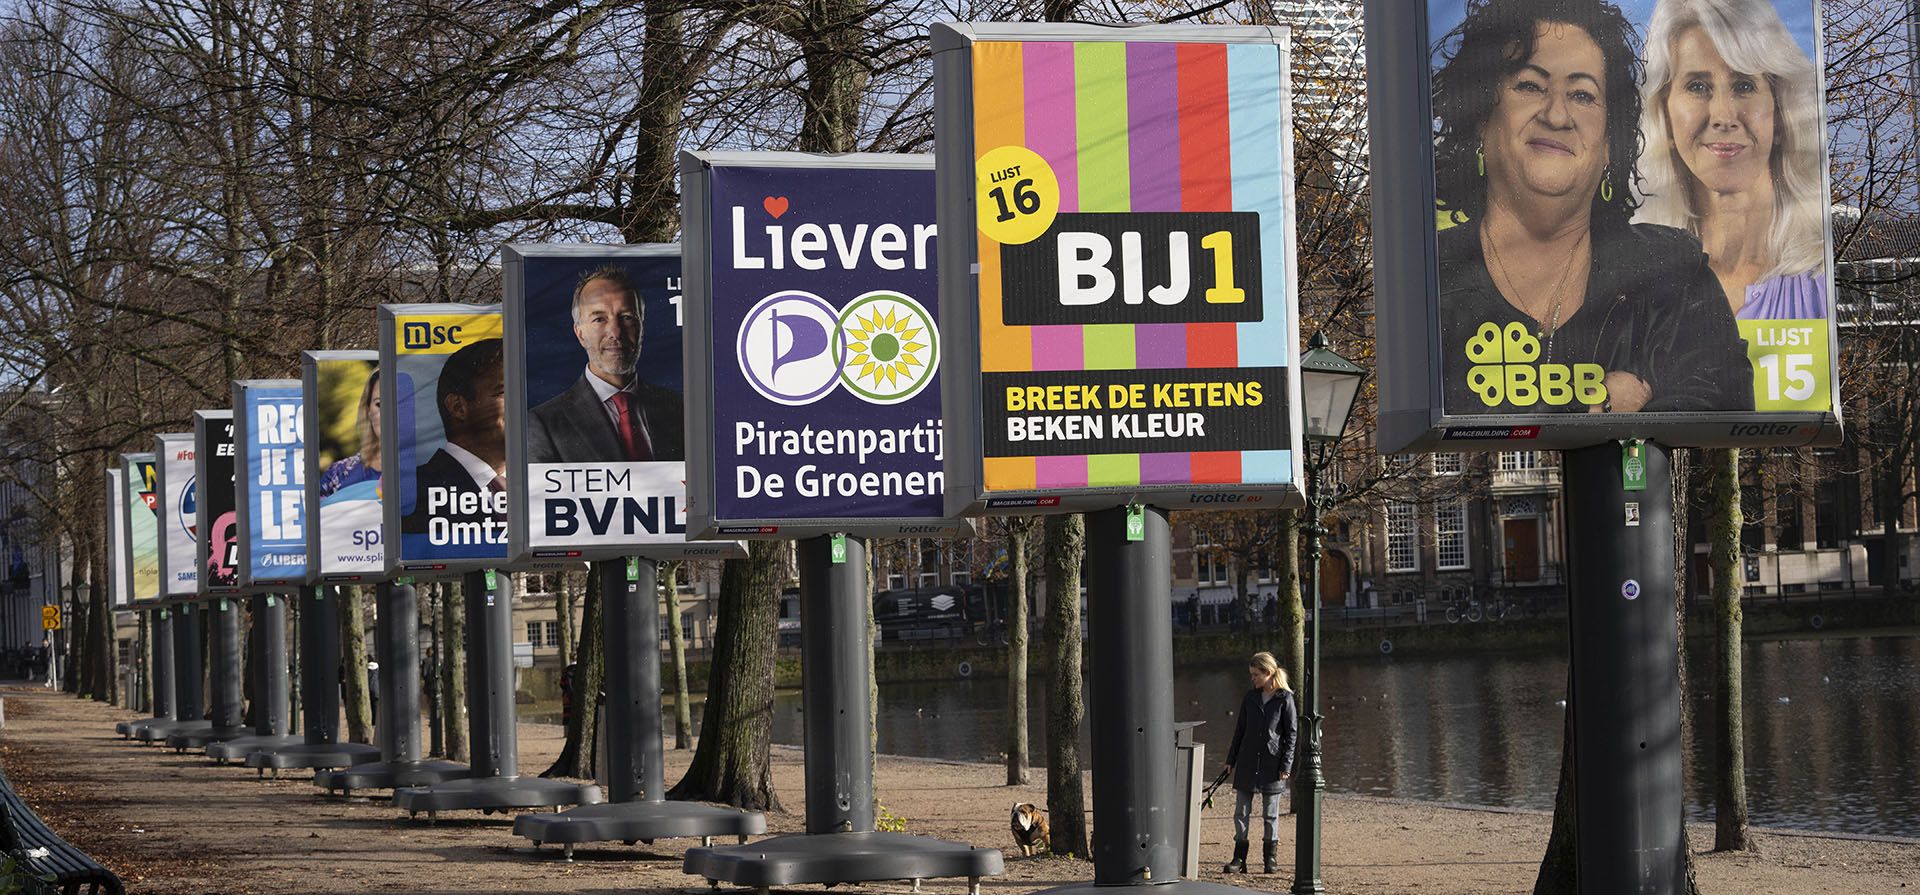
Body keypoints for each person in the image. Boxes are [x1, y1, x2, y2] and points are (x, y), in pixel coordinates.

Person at [1432, 0, 1753, 414]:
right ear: (1479, 115)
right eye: (1530, 85)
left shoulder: (1673, 273)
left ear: (1608, 144)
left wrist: (1633, 420)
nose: (1557, 115)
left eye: (1583, 94)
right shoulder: (1429, 278)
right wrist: (1594, 403)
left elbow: (1724, 399)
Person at [1634, 0, 1826, 319]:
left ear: (1780, 112)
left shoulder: (1819, 277)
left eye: (1744, 85)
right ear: (1663, 113)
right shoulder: (1633, 282)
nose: (1724, 116)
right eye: (1697, 86)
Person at [527, 265, 683, 464]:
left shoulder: (681, 409)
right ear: (580, 333)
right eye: (599, 319)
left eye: (626, 317)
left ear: (641, 326)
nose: (616, 332)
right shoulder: (544, 424)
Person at [401, 338, 508, 537]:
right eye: (505, 393)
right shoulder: (411, 495)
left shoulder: (548, 486)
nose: (526, 405)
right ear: (458, 407)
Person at [1221, 651, 1297, 875]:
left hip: (1272, 764)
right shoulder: (1250, 697)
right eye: (1251, 674)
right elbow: (1240, 731)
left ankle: (1269, 859)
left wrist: (1286, 765)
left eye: (1255, 674)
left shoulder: (1285, 699)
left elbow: (1291, 735)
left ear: (1268, 673)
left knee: (1270, 814)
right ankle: (1239, 858)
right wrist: (1230, 760)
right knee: (1241, 812)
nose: (1252, 678)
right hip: (1246, 762)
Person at [318, 370, 381, 500]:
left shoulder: (429, 473)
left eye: (400, 404)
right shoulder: (338, 476)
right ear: (368, 409)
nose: (390, 413)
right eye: (379, 404)